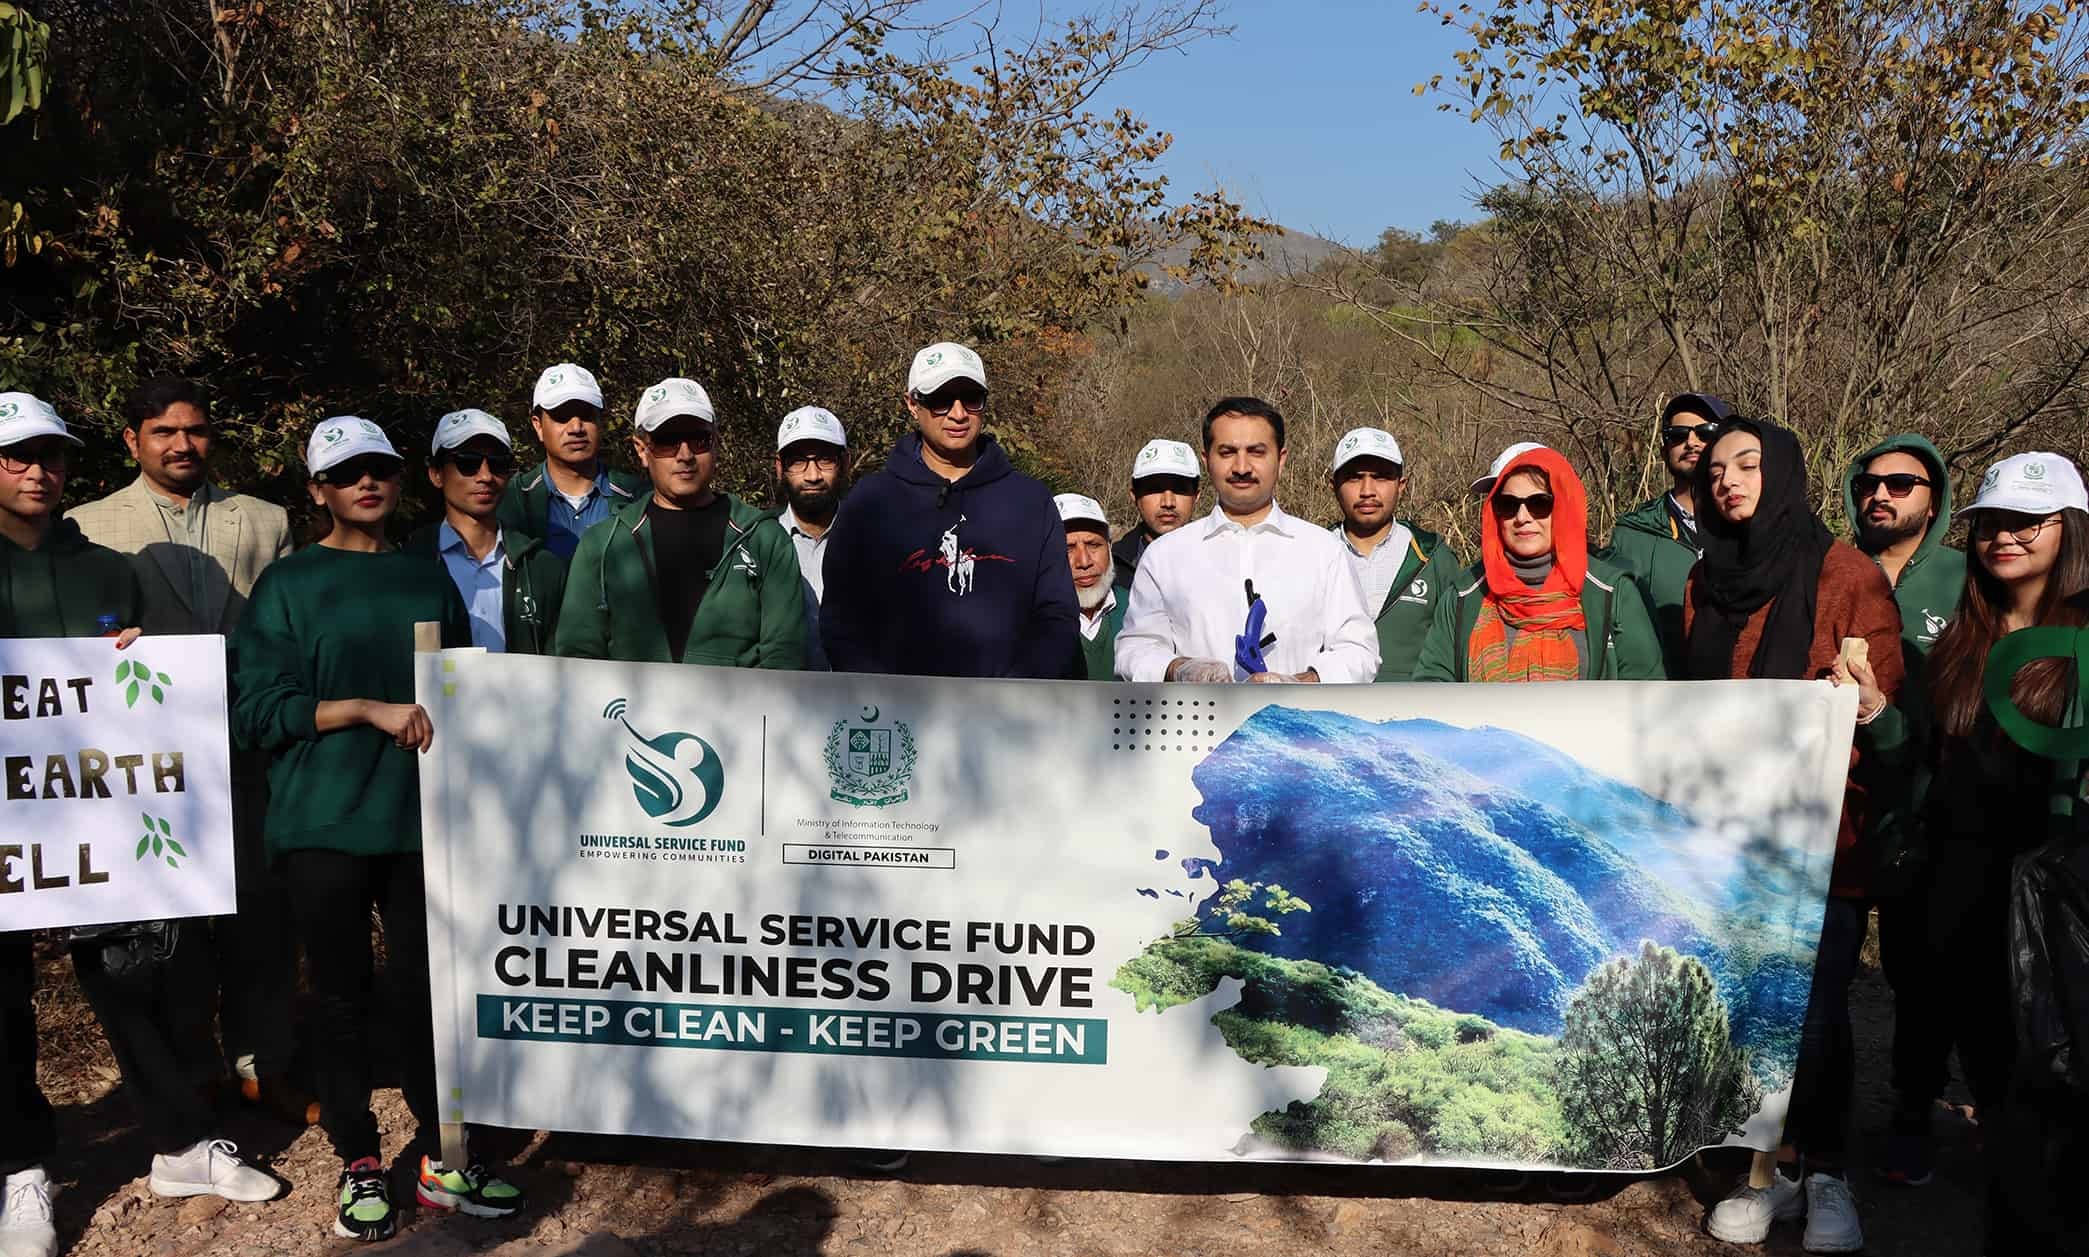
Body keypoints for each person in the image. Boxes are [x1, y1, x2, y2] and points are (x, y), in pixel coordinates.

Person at [232, 416, 523, 1243]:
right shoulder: (287, 587)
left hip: (418, 823)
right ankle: (360, 1157)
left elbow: (461, 694)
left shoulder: (425, 580)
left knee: (430, 991)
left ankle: (443, 1154)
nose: (369, 483)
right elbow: (257, 711)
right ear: (318, 489)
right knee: (339, 995)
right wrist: (362, 707)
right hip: (321, 823)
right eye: (348, 472)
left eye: (382, 470)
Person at [0, 393, 256, 1257]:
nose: (38, 470)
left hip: (104, 826)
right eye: (16, 456)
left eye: (51, 455)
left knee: (133, 978)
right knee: (2, 1000)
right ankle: (22, 1168)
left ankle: (181, 1143)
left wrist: (139, 656)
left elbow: (144, 682)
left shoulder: (111, 567)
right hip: (10, 827)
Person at [64, 375, 310, 1125]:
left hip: (245, 743)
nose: (181, 444)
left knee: (259, 915)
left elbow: (290, 630)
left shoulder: (263, 520)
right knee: (171, 925)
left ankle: (261, 1060)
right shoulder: (89, 524)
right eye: (164, 431)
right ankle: (193, 1065)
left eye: (195, 430)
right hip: (150, 761)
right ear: (133, 439)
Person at [1687, 417, 1906, 1256]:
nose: (1729, 481)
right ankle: (1761, 1169)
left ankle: (1827, 1171)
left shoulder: (1843, 572)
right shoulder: (1706, 581)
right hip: (1725, 831)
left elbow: (1882, 699)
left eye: (1747, 465)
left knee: (1814, 1009)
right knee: (1747, 1004)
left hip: (1823, 831)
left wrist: (1862, 701)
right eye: (1714, 471)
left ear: (1781, 473)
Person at [1912, 452, 2087, 1254]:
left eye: (2027, 520)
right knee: (1988, 1056)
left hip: (2061, 899)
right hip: (1962, 883)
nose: (2004, 537)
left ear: (2069, 530)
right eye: (1990, 523)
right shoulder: (1959, 638)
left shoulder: (2085, 639)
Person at [1836, 432, 1967, 1187]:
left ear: (1933, 496)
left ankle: (1913, 1113)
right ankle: (1819, 1121)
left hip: (1930, 813)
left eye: (1900, 483)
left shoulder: (1963, 576)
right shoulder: (1836, 571)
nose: (1880, 495)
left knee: (1921, 979)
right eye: (1868, 483)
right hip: (1842, 807)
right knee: (1827, 972)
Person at [820, 342, 1077, 677]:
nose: (958, 414)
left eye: (971, 399)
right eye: (941, 400)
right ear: (912, 404)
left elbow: (1057, 616)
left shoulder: (1031, 501)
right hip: (898, 715)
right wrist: (881, 693)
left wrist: (1016, 694)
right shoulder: (870, 501)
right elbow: (841, 618)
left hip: (1008, 715)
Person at [1115, 397, 1378, 684]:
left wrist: (1303, 683)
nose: (1242, 467)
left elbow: (1359, 651)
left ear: (1281, 459)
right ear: (1207, 460)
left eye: (1256, 452)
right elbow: (1135, 648)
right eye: (1227, 452)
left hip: (1298, 724)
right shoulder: (1165, 555)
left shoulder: (1323, 550)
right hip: (1196, 724)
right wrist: (1177, 668)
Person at [554, 378, 805, 667]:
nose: (685, 455)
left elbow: (784, 655)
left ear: (716, 443)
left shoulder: (764, 540)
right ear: (641, 449)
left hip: (738, 711)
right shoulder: (603, 545)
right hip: (630, 712)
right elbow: (578, 658)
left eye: (699, 440)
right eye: (667, 441)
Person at [1412, 445, 1662, 682]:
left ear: (1564, 506)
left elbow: (1645, 695)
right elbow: (1433, 689)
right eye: (1508, 505)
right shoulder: (1463, 596)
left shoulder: (1612, 592)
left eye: (1540, 504)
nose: (1522, 518)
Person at [404, 409, 566, 654]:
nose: (485, 476)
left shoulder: (541, 566)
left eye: (498, 464)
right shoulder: (411, 562)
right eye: (467, 463)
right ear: (436, 474)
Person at [1602, 392, 1729, 674]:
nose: (1691, 442)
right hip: (1660, 701)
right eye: (1678, 434)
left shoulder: (1750, 530)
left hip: (1738, 701)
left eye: (1706, 433)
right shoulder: (1632, 535)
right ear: (1663, 451)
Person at [1325, 426, 1462, 681]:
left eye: (1382, 477)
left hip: (1414, 717)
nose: (1367, 490)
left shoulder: (1433, 557)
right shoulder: (1314, 553)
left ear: (1401, 485)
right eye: (1354, 478)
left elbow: (1459, 650)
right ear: (1334, 485)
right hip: (1328, 715)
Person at [497, 362, 641, 559]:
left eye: (586, 415)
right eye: (562, 416)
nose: (576, 428)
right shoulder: (512, 500)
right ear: (538, 426)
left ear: (601, 422)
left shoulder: (637, 497)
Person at [772, 405, 849, 670]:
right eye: (798, 461)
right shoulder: (759, 544)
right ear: (780, 468)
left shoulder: (872, 539)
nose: (813, 475)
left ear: (844, 463)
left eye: (825, 460)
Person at [1113, 438, 1201, 592]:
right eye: (1155, 489)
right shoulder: (1111, 568)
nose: (1168, 502)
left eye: (1179, 490)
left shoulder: (1221, 559)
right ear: (1135, 496)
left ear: (1196, 496)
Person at [1058, 493, 1123, 680]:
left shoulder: (1138, 608)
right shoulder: (1027, 620)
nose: (1084, 562)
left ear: (1110, 548)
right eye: (1067, 549)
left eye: (1093, 545)